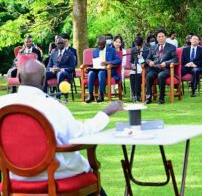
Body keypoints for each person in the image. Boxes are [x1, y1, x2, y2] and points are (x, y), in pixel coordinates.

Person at [0, 59, 123, 195]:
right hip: (58, 175)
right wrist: (105, 113)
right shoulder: (53, 107)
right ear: (44, 80)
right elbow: (80, 135)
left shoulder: (2, 103)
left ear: (18, 78)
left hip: (14, 176)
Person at [145, 29, 178, 104]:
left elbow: (175, 59)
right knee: (149, 75)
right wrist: (150, 62)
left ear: (165, 37)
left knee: (161, 75)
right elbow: (147, 58)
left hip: (165, 69)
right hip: (155, 68)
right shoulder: (153, 47)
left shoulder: (171, 47)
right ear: (157, 38)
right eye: (159, 37)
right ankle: (148, 97)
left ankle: (161, 98)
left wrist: (166, 63)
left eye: (162, 36)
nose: (161, 38)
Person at [86, 36, 121, 103]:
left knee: (101, 73)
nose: (99, 46)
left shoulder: (111, 50)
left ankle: (101, 95)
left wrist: (107, 62)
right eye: (98, 45)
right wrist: (90, 67)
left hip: (107, 70)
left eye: (101, 45)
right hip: (97, 69)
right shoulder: (95, 51)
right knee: (91, 73)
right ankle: (91, 95)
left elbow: (118, 60)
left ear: (105, 43)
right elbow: (95, 61)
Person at [130, 36, 148, 102]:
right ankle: (134, 94)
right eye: (136, 46)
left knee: (138, 75)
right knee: (132, 75)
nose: (138, 48)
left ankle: (138, 95)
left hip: (144, 68)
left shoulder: (147, 49)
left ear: (142, 44)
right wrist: (132, 65)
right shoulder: (133, 50)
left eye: (139, 46)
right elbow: (131, 61)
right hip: (136, 67)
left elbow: (148, 60)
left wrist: (141, 59)